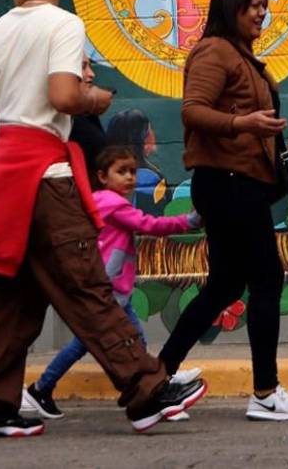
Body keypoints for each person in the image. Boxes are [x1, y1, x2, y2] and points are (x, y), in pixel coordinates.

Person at [0, 0, 207, 439]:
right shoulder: (66, 24)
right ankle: (145, 390)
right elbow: (63, 95)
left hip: (6, 179)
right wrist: (94, 100)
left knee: (10, 296)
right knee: (88, 284)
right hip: (47, 178)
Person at [158, 0, 288, 421]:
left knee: (225, 285)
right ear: (230, 7)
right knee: (267, 278)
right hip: (227, 182)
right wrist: (243, 124)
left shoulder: (239, 55)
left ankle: (156, 375)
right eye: (252, 5)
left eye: (264, 5)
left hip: (236, 182)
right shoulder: (215, 51)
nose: (261, 12)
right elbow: (192, 110)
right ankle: (266, 393)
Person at [22, 145, 202, 419]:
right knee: (86, 343)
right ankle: (40, 389)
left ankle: (152, 389)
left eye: (132, 171)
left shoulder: (103, 201)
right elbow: (149, 225)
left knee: (131, 340)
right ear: (103, 177)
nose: (130, 177)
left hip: (116, 289)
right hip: (110, 290)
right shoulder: (113, 204)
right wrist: (189, 221)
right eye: (121, 172)